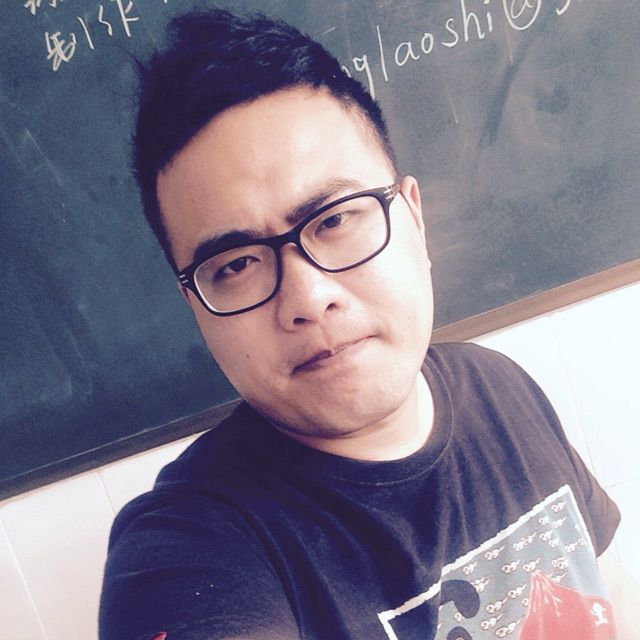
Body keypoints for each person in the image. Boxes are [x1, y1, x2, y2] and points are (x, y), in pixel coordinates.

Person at [99, 8, 638, 640]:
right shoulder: (186, 550)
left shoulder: (501, 388)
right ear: (196, 304)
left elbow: (609, 601)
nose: (308, 298)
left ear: (414, 217)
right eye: (237, 263)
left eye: (334, 219)